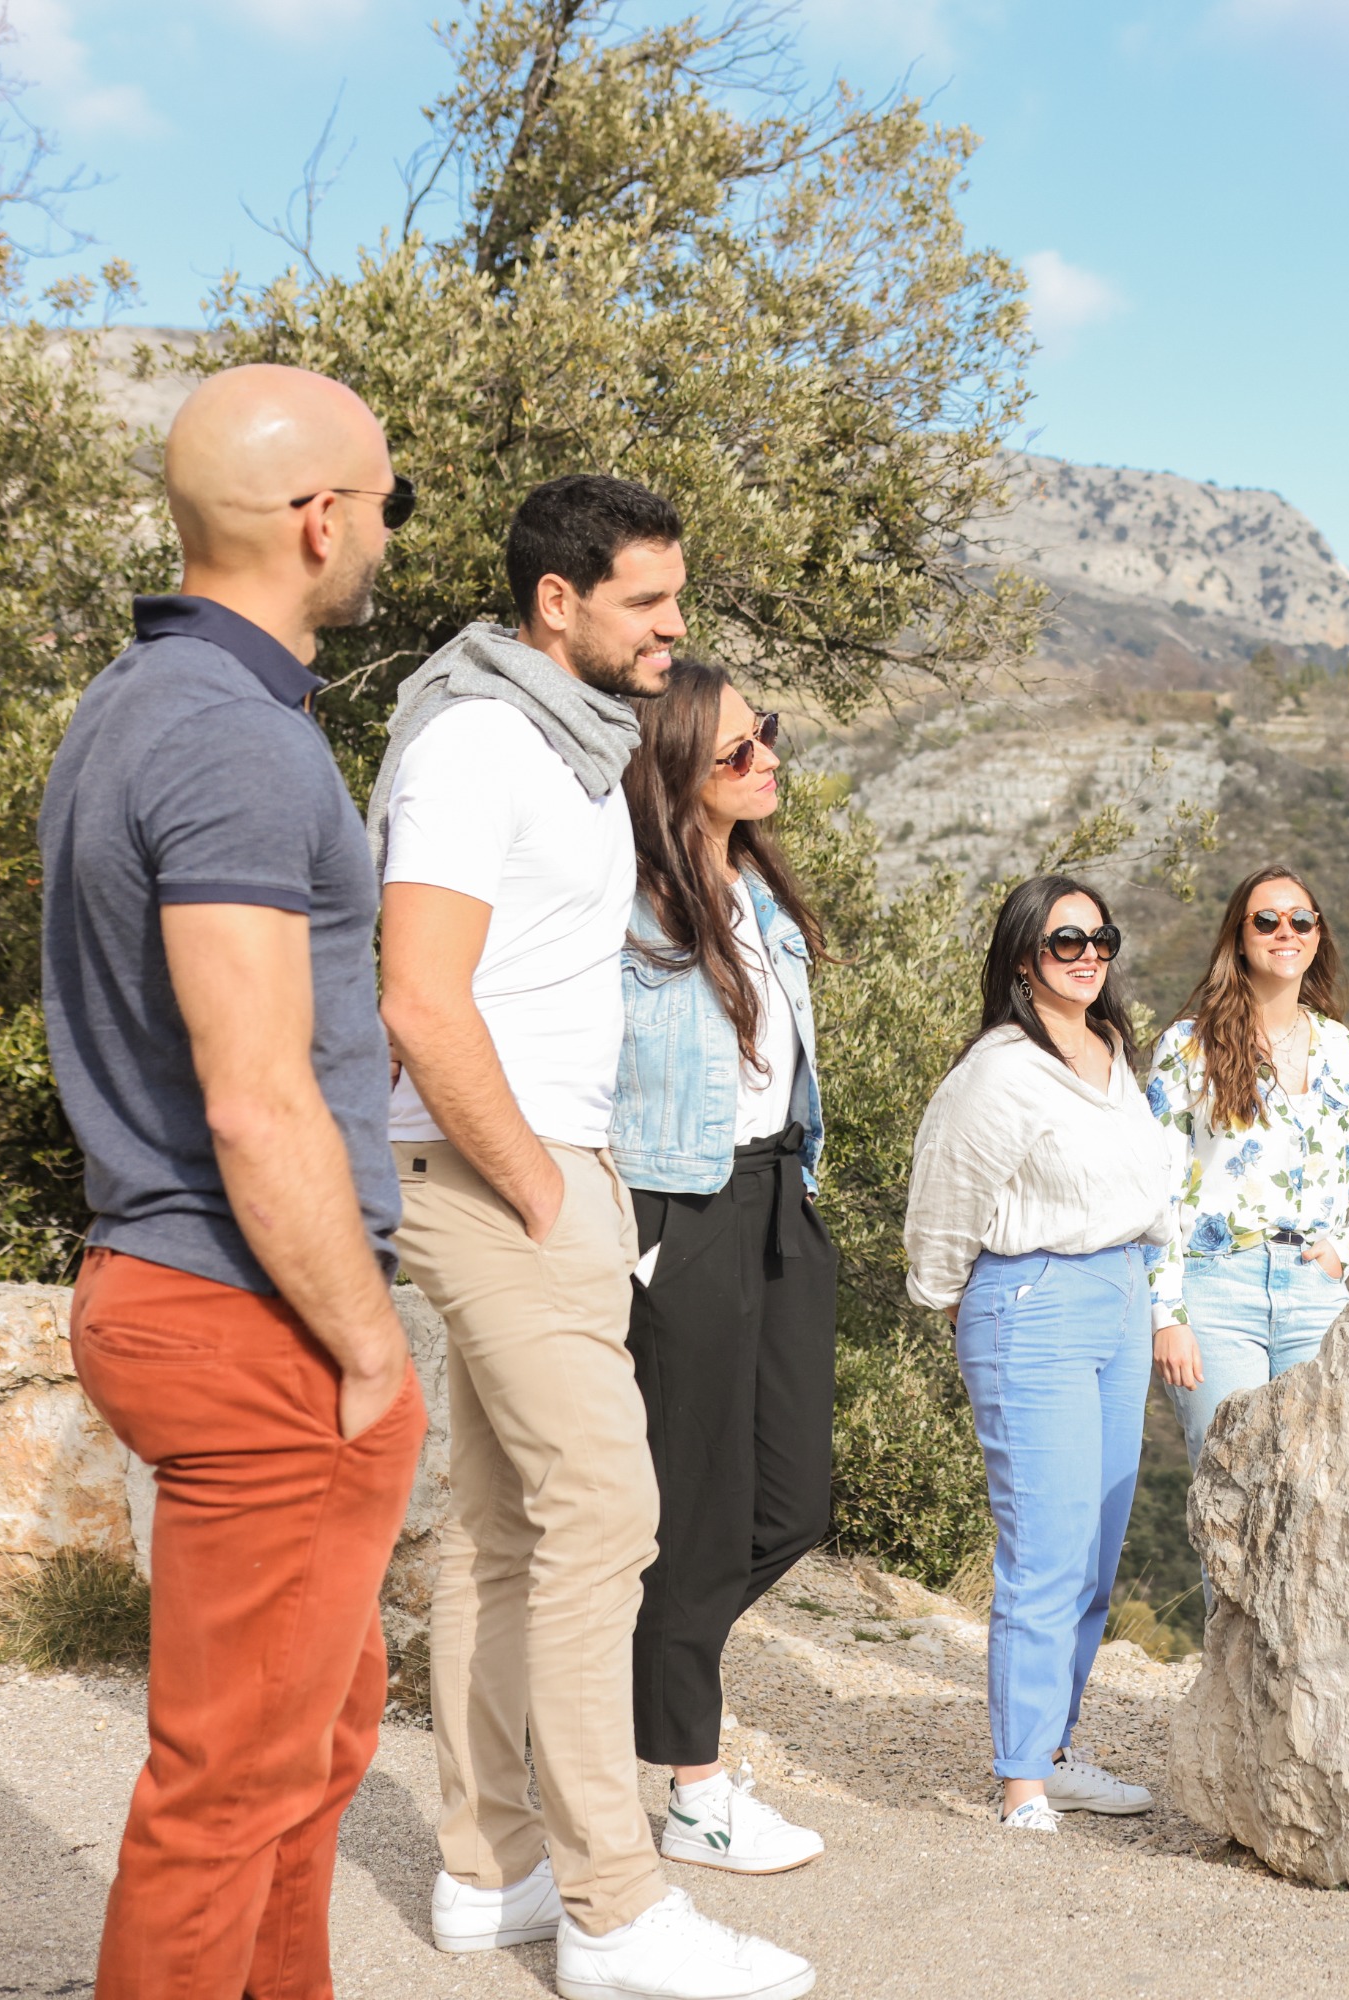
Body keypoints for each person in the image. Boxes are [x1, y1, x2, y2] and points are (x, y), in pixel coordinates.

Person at [374, 476, 812, 1999]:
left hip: (558, 1168)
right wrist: (544, 1185)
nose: (672, 631)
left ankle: (488, 1875)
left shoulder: (566, 745)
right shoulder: (476, 741)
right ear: (556, 601)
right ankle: (618, 1912)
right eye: (647, 603)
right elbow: (419, 995)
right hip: (508, 1176)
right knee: (608, 1518)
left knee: (503, 1534)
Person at [39, 362, 429, 2000]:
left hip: (196, 1288)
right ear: (317, 517)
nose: (396, 537)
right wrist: (368, 1345)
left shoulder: (148, 705)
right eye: (390, 502)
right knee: (230, 1787)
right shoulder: (229, 744)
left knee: (316, 1732)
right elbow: (259, 1103)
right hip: (250, 1303)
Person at [609, 659, 835, 1875]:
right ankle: (693, 1786)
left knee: (794, 1499)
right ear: (680, 768)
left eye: (770, 736)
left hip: (773, 1195)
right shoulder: (630, 901)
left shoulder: (759, 892)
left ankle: (623, 1672)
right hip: (677, 1201)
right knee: (693, 1507)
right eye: (742, 749)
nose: (768, 760)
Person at [904, 875, 1176, 1831]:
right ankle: (1022, 1780)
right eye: (1066, 942)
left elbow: (1147, 1189)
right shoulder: (999, 1070)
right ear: (1024, 960)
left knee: (1096, 1554)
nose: (1090, 954)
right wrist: (954, 1307)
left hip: (1119, 1299)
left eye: (1101, 936)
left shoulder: (1113, 1055)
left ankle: (1055, 1750)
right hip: (1034, 1300)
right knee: (1046, 1551)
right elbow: (942, 1200)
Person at [1146, 865, 1349, 1463]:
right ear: (1238, 936)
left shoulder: (1341, 1048)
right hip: (1213, 1291)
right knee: (1230, 1487)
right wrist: (1166, 1314)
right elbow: (1150, 1189)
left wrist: (1346, 1252)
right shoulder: (1188, 1046)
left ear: (1318, 936)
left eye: (1300, 920)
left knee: (1315, 1488)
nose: (1283, 931)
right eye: (1265, 920)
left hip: (1316, 1293)